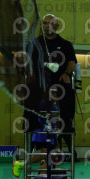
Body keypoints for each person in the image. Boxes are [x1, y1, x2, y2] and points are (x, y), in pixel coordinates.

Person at [17, 14, 77, 160]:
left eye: (50, 23)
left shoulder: (66, 44)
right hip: (39, 83)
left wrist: (67, 73)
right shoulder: (34, 44)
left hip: (59, 82)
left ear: (56, 26)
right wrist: (29, 73)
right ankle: (30, 144)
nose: (46, 26)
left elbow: (71, 63)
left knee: (67, 94)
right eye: (44, 23)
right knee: (30, 102)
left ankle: (68, 133)